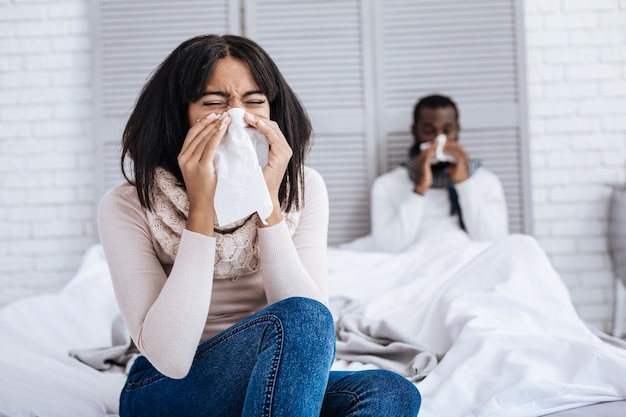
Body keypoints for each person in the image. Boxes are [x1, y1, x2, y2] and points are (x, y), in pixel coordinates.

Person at [97, 34, 421, 417]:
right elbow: (171, 358)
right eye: (214, 103)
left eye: (253, 102)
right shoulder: (128, 203)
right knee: (303, 319)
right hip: (167, 388)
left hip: (274, 380)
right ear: (177, 115)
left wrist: (266, 204)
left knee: (392, 392)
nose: (237, 117)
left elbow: (313, 332)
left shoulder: (305, 188)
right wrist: (201, 206)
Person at [370, 94, 509, 252]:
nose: (439, 141)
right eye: (429, 131)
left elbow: (494, 243)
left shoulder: (485, 181)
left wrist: (464, 183)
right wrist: (419, 189)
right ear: (414, 131)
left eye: (447, 131)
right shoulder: (387, 185)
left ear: (458, 130)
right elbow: (387, 249)